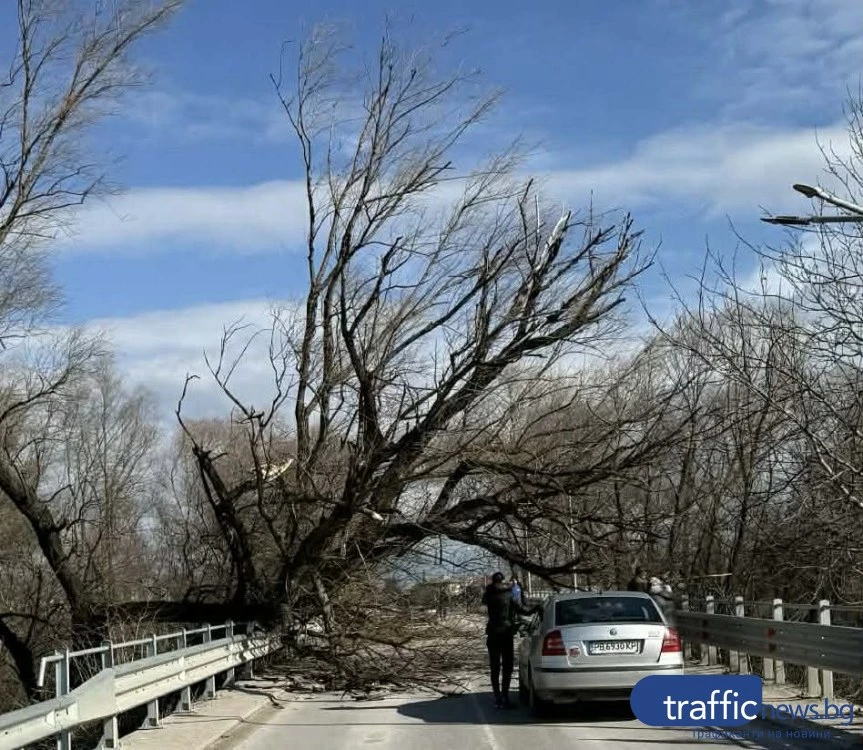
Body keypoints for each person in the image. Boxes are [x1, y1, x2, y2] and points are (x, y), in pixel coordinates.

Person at [482, 571, 540, 708]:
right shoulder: (508, 595)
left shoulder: (489, 594)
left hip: (493, 633)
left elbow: (483, 604)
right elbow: (523, 610)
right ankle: (505, 696)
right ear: (503, 581)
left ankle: (497, 698)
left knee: (495, 667)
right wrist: (536, 608)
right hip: (506, 633)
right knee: (507, 666)